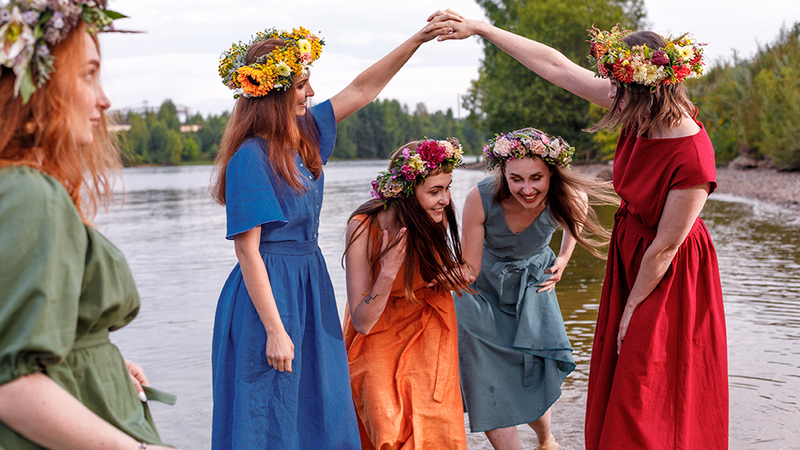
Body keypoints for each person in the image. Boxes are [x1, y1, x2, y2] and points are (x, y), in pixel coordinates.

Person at [432, 13, 728, 449]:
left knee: (645, 372)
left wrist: (631, 309)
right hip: (633, 253)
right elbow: (556, 67)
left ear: (652, 86)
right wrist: (483, 29)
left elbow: (666, 247)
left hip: (668, 271)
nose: (613, 99)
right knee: (624, 374)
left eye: (621, 90)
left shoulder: (693, 155)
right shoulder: (635, 104)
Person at [209, 22, 454, 450]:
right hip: (268, 296)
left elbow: (362, 90)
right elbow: (248, 253)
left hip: (310, 286)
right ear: (275, 92)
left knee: (324, 407)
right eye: (302, 85)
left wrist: (415, 41)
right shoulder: (249, 158)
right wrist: (274, 330)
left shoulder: (304, 138)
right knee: (269, 414)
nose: (311, 93)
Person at [0, 2, 175, 450]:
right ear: (40, 86)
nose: (104, 98)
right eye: (88, 74)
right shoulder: (31, 193)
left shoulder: (22, 185)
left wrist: (100, 360)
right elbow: (11, 384)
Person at [456, 129, 614, 450]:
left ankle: (546, 441)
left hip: (534, 286)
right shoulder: (480, 198)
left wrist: (565, 257)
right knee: (486, 376)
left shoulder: (566, 196)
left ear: (551, 174)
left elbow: (578, 209)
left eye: (536, 178)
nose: (526, 189)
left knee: (536, 371)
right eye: (516, 179)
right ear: (502, 172)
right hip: (483, 294)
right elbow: (468, 269)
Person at [342, 138, 474, 450]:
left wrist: (455, 275)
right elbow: (362, 322)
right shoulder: (362, 227)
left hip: (430, 326)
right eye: (434, 191)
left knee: (435, 427)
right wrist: (387, 273)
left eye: (448, 187)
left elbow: (443, 271)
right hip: (377, 328)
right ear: (405, 192)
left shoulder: (432, 219)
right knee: (385, 425)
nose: (445, 199)